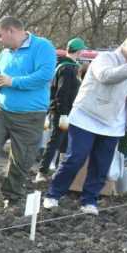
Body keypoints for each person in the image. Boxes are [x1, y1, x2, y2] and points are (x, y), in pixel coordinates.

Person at [0, 16, 56, 208]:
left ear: (11, 31)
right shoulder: (4, 54)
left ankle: (12, 196)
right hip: (3, 111)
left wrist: (11, 81)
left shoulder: (43, 47)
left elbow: (43, 76)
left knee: (21, 159)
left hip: (31, 115)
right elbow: (0, 78)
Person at [43, 34, 127, 214]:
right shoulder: (106, 58)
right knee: (75, 158)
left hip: (114, 124)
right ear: (124, 44)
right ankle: (53, 195)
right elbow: (105, 76)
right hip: (87, 117)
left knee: (101, 165)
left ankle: (89, 201)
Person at [35, 38, 86, 181]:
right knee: (55, 142)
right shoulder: (67, 68)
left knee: (64, 143)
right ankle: (42, 172)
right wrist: (63, 114)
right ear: (79, 51)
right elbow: (62, 92)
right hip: (62, 112)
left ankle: (58, 171)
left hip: (68, 111)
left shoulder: (68, 66)